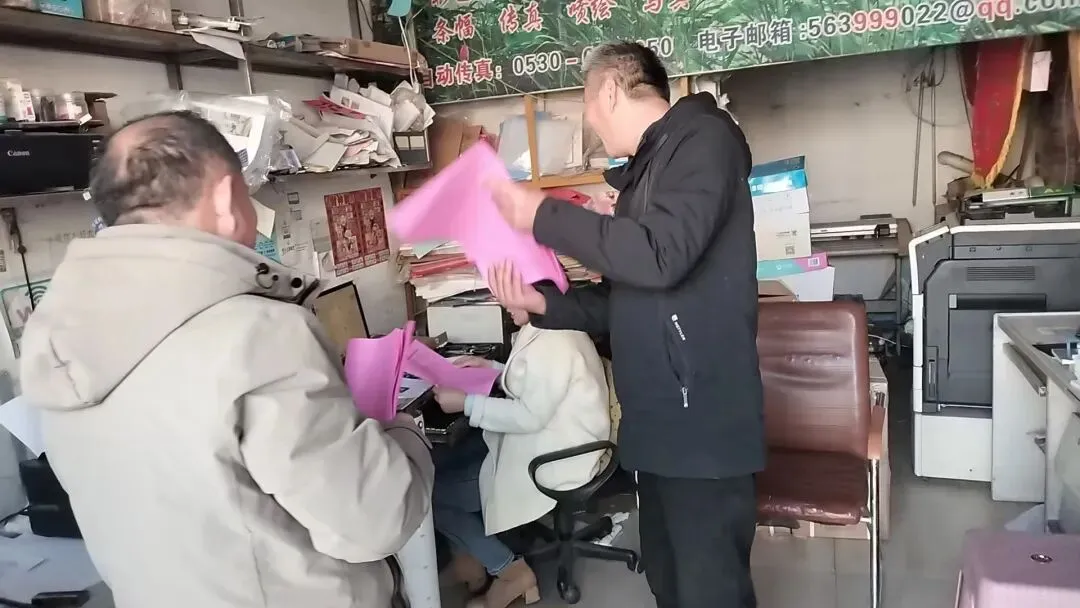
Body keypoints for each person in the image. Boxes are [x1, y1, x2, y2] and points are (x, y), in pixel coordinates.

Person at [18, 111, 434, 608]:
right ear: (225, 197)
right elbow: (373, 522)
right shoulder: (260, 334)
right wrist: (404, 434)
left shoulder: (56, 336)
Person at [485, 41, 764, 608]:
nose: (589, 121)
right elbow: (626, 301)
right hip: (660, 424)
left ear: (611, 90)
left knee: (710, 589)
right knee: (668, 577)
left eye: (588, 104)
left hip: (703, 424)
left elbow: (660, 256)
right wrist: (543, 305)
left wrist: (542, 214)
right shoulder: (646, 173)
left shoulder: (704, 140)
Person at [430, 304, 611, 608]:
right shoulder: (553, 324)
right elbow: (538, 381)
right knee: (448, 461)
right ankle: (472, 560)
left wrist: (467, 403)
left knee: (428, 494)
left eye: (507, 295)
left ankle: (510, 572)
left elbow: (528, 415)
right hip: (555, 438)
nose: (504, 305)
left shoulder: (554, 340)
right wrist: (491, 369)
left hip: (554, 458)